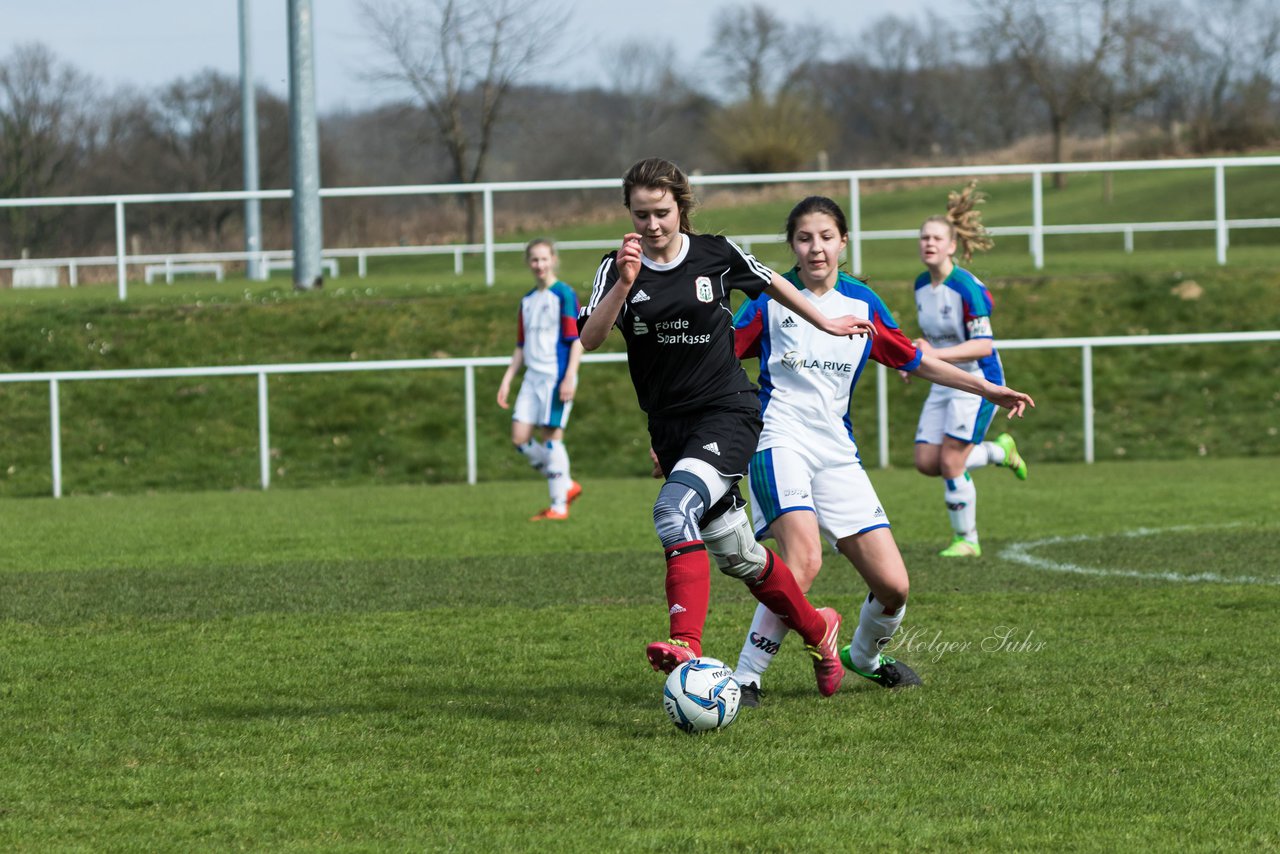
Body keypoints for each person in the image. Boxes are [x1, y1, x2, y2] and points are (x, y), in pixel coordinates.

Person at [578, 158, 875, 696]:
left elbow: (773, 286)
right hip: (670, 430)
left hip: (729, 412)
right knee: (740, 555)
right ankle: (819, 627)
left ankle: (686, 644)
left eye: (662, 213)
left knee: (673, 511)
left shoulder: (717, 253)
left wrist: (826, 321)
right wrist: (623, 284)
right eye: (641, 214)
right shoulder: (615, 267)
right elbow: (590, 337)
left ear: (681, 208)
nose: (652, 225)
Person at [729, 196, 1035, 706]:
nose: (816, 248)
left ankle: (864, 658)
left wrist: (989, 390)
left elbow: (916, 360)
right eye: (804, 238)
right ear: (792, 246)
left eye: (826, 237)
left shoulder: (863, 302)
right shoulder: (768, 299)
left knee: (894, 587)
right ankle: (746, 677)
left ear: (843, 242)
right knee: (802, 560)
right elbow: (716, 358)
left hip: (837, 452)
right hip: (778, 439)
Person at [908, 182, 1028, 557]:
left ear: (952, 246)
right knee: (927, 462)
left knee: (951, 462)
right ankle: (1000, 451)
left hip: (978, 380)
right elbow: (934, 341)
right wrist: (914, 357)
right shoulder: (920, 286)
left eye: (936, 238)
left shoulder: (966, 287)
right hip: (944, 380)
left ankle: (968, 540)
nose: (928, 243)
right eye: (923, 237)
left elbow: (983, 345)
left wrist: (933, 357)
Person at [497, 238, 584, 521]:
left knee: (550, 437)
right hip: (532, 379)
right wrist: (508, 379)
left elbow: (577, 339)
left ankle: (558, 505)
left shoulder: (564, 295)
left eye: (544, 259)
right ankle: (566, 482)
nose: (539, 264)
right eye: (534, 259)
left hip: (555, 376)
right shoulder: (527, 300)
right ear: (528, 263)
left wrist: (570, 375)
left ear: (553, 260)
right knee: (520, 439)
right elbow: (521, 345)